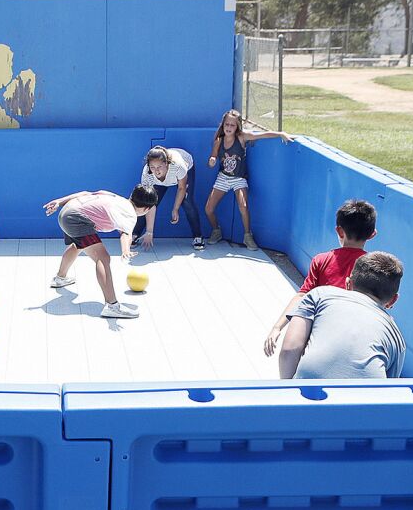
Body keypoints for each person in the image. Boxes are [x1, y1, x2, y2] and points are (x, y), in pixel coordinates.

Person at [263, 198, 377, 356]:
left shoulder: (321, 260)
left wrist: (277, 327)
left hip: (319, 338)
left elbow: (302, 296)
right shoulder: (373, 267)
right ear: (372, 234)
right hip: (355, 342)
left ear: (339, 231)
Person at [277, 251, 406, 380]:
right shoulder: (397, 337)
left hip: (310, 390)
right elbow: (388, 387)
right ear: (393, 300)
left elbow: (289, 350)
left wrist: (288, 388)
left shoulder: (319, 295)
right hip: (365, 398)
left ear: (348, 284)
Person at [43, 187, 157, 319]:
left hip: (66, 211)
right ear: (146, 209)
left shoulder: (115, 197)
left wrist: (59, 202)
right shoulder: (130, 215)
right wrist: (126, 250)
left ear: (132, 195)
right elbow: (126, 234)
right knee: (103, 258)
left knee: (79, 245)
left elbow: (85, 193)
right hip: (76, 219)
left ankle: (60, 278)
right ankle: (112, 306)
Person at [203, 108, 293, 250]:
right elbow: (212, 156)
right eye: (227, 124)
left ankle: (247, 236)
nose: (229, 128)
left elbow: (262, 135)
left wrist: (280, 133)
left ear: (237, 126)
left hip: (239, 178)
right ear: (223, 125)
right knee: (208, 209)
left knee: (243, 206)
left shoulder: (241, 137)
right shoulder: (219, 140)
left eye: (232, 125)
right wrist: (212, 160)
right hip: (223, 177)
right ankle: (216, 231)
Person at [133, 146, 204, 250]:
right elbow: (149, 204)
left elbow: (181, 188)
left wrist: (175, 209)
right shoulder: (147, 173)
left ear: (166, 163)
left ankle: (198, 236)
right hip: (159, 182)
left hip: (182, 172)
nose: (156, 171)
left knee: (187, 202)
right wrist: (149, 232)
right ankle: (135, 234)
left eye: (159, 167)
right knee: (146, 202)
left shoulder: (178, 166)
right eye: (152, 167)